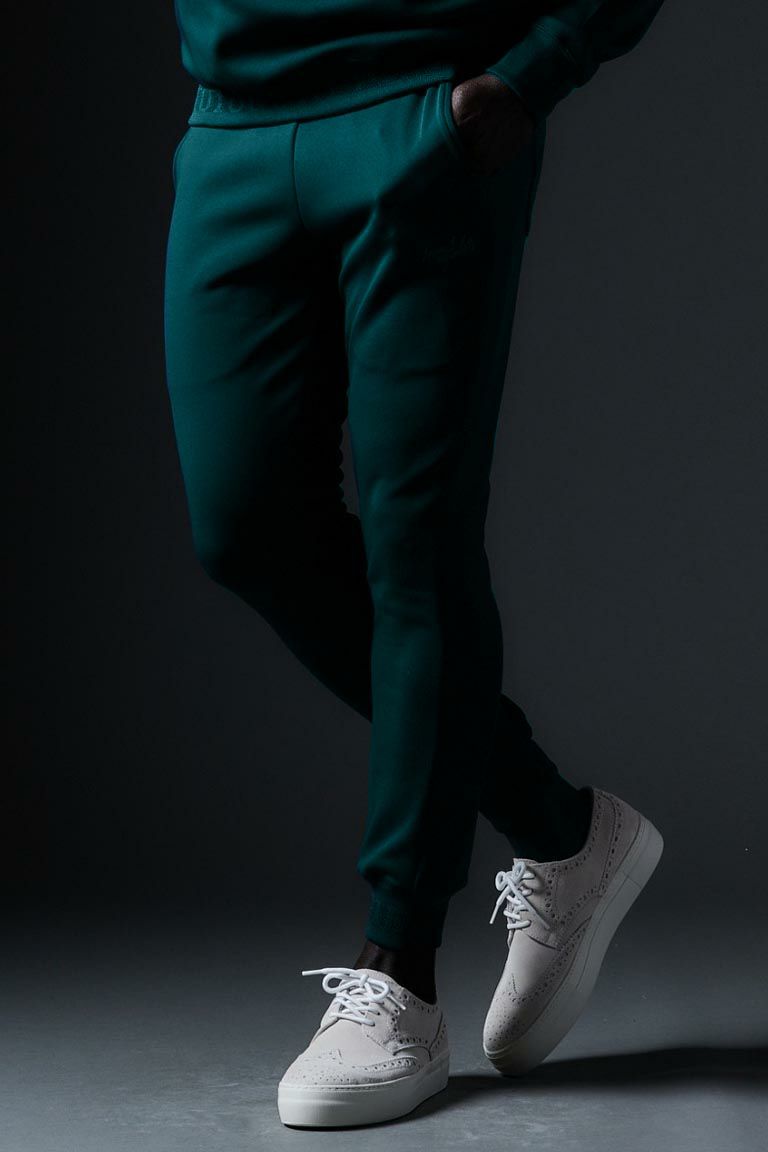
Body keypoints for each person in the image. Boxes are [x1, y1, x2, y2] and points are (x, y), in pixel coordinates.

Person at [164, 0, 668, 1129]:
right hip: (234, 120)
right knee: (244, 530)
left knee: (418, 542)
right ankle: (561, 829)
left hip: (425, 114)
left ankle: (400, 970)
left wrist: (535, 72)